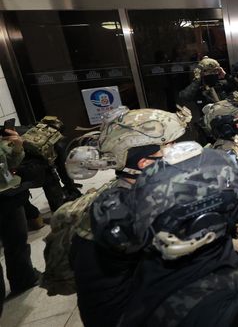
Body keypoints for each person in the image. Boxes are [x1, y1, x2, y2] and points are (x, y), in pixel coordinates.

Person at [92, 144, 238, 327]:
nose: (237, 213)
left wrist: (235, 240)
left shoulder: (150, 264)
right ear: (204, 222)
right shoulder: (219, 312)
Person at [59, 108, 190, 327]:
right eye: (170, 146)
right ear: (145, 163)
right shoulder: (120, 215)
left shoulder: (133, 192)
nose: (179, 152)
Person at [0, 129, 41, 307]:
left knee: (17, 239)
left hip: (9, 196)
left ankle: (24, 279)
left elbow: (9, 164)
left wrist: (17, 147)